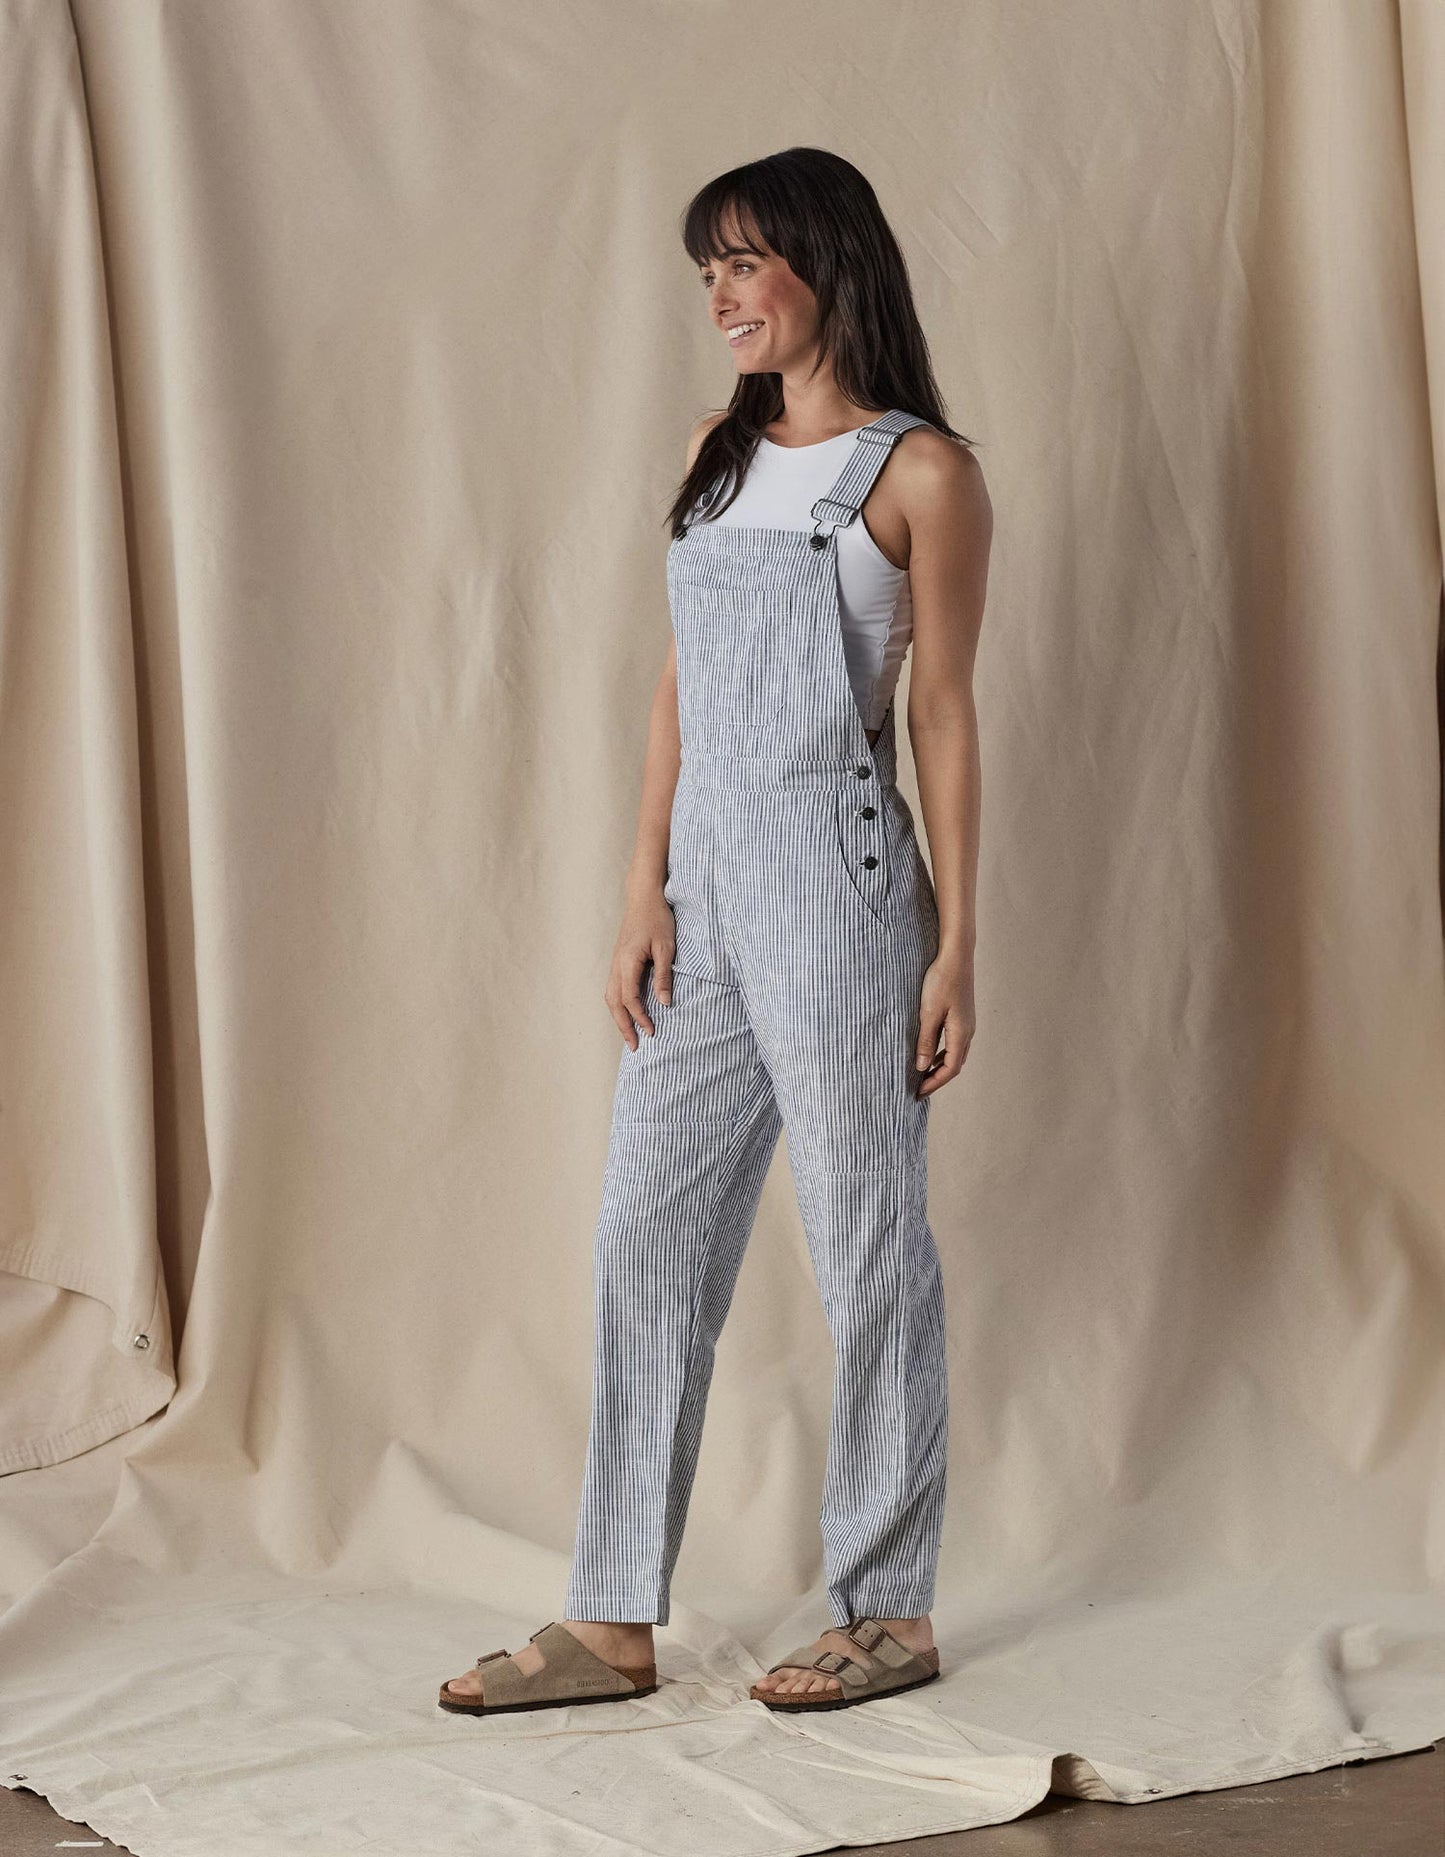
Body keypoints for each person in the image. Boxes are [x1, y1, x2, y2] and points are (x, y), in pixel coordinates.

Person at [440, 147, 991, 1718]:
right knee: (645, 1234)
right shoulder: (714, 449)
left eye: (744, 263)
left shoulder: (920, 474)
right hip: (702, 886)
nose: (721, 297)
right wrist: (642, 886)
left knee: (866, 1243)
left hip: (839, 879)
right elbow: (680, 676)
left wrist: (957, 945)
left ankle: (888, 1606)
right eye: (707, 273)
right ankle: (612, 1616)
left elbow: (942, 716)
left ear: (826, 263)